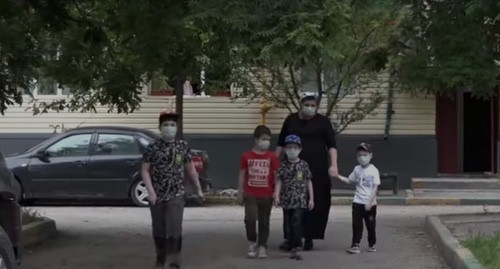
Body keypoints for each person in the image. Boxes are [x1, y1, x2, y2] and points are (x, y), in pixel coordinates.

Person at [141, 110, 204, 269]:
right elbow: (145, 170)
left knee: (174, 229)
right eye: (166, 125)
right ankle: (160, 258)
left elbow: (190, 169)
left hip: (176, 194)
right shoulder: (153, 147)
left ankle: (174, 260)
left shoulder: (182, 146)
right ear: (160, 127)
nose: (169, 127)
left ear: (177, 127)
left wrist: (198, 188)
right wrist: (151, 192)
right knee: (159, 230)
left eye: (172, 125)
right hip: (157, 195)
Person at [275, 93, 338, 251]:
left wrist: (334, 165)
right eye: (307, 105)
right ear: (300, 105)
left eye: (313, 105)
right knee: (289, 200)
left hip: (317, 167)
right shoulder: (291, 120)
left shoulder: (323, 122)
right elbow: (281, 142)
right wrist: (274, 162)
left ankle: (309, 236)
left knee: (314, 201)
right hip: (291, 167)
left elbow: (332, 145)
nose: (310, 108)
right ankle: (290, 237)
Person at [237, 125, 280, 259]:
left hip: (267, 194)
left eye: (268, 139)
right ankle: (252, 242)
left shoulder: (272, 157)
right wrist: (240, 192)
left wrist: (276, 192)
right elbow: (242, 175)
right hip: (250, 194)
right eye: (263, 139)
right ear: (256, 139)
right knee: (250, 219)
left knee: (264, 221)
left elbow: (276, 176)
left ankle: (262, 245)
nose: (266, 142)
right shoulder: (246, 156)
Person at [274, 134, 314, 260]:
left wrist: (311, 198)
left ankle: (297, 246)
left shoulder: (303, 165)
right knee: (287, 223)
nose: (292, 150)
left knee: (297, 223)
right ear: (285, 149)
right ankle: (290, 242)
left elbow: (308, 181)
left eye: (295, 147)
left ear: (300, 149)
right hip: (287, 200)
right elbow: (279, 181)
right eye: (289, 147)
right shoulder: (283, 165)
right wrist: (277, 195)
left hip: (300, 200)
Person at [337, 143, 380, 254]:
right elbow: (349, 180)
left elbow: (375, 188)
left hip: (370, 204)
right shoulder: (357, 169)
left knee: (370, 225)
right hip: (357, 201)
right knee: (356, 224)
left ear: (371, 155)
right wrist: (337, 176)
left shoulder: (374, 170)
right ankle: (355, 245)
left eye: (365, 154)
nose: (362, 157)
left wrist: (370, 202)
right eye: (359, 155)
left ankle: (372, 243)